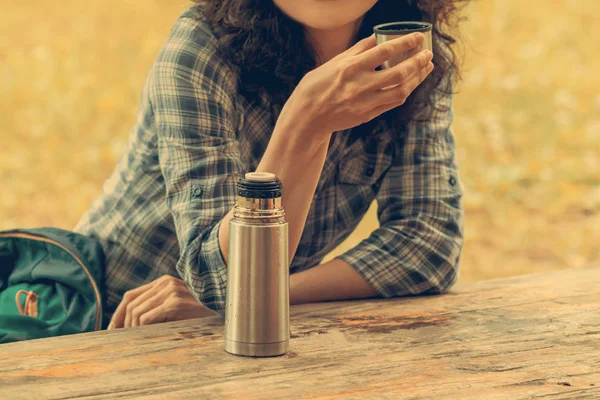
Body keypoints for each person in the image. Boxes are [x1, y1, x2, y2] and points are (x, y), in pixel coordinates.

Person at [74, 0, 466, 329]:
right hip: (98, 313)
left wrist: (275, 293)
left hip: (235, 329)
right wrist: (304, 122)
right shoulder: (202, 47)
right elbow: (218, 277)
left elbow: (429, 243)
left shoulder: (409, 50)